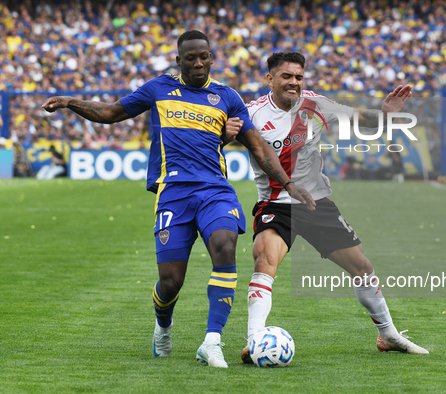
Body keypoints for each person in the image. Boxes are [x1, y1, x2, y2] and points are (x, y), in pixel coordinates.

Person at [42, 31, 314, 368]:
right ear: (179, 61)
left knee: (225, 246)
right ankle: (163, 324)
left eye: (204, 56)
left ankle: (212, 341)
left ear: (212, 58)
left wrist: (288, 184)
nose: (198, 63)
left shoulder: (227, 97)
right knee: (171, 281)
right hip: (173, 193)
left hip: (215, 190)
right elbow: (111, 113)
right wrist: (71, 102)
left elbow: (258, 147)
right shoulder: (157, 90)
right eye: (190, 58)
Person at [234, 52, 429, 363]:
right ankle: (255, 339)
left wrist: (386, 112)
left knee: (362, 267)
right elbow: (221, 137)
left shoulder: (315, 104)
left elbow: (362, 119)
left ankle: (389, 335)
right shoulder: (251, 113)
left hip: (316, 203)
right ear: (269, 79)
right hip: (276, 203)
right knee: (265, 259)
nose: (294, 83)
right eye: (286, 76)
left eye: (298, 77)